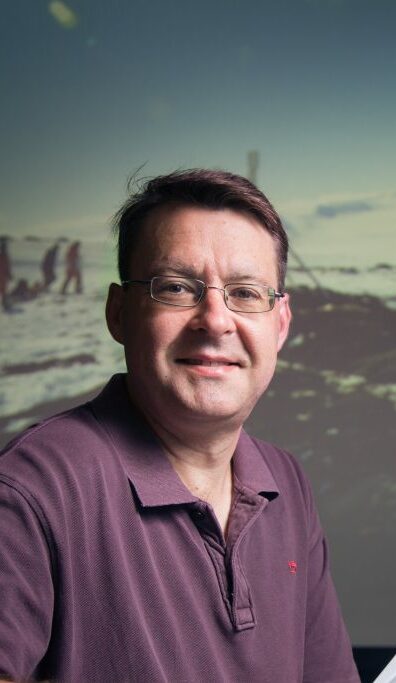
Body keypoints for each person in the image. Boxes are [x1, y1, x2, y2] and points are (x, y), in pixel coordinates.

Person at [0, 169, 360, 682]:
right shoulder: (32, 488)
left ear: (279, 324)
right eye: (175, 288)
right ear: (119, 314)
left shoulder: (287, 482)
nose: (215, 320)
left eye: (246, 292)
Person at [0, 237, 12, 312]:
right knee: (4, 290)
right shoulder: (4, 256)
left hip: (3, 275)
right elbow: (6, 266)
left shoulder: (4, 256)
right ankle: (5, 305)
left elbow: (7, 266)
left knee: (4, 290)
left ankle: (5, 304)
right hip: (3, 275)